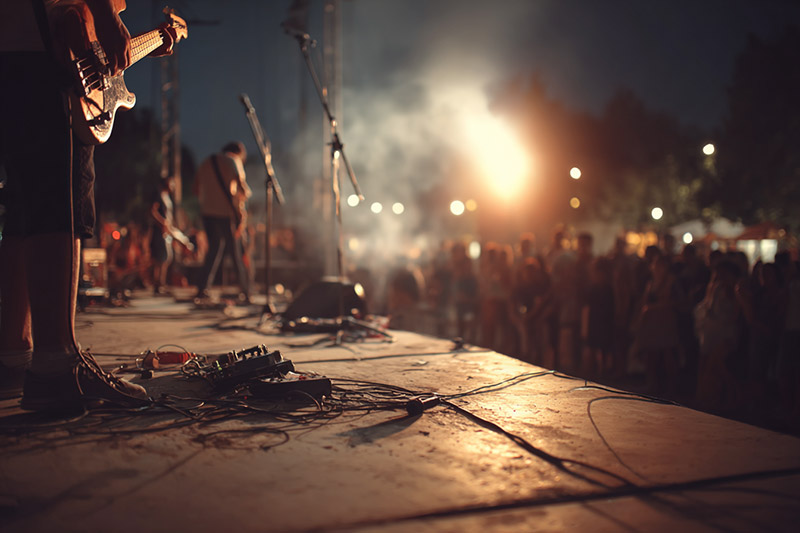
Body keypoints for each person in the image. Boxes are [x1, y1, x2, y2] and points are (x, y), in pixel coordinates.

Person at [0, 0, 174, 409]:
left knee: (24, 207)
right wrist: (107, 15)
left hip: (13, 47)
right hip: (49, 42)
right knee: (60, 204)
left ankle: (13, 355)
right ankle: (57, 367)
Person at [194, 141, 252, 302]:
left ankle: (202, 288)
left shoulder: (205, 162)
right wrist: (241, 211)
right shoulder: (234, 161)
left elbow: (196, 189)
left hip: (207, 214)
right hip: (226, 215)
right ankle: (246, 291)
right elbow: (243, 190)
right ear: (238, 152)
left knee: (213, 251)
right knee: (235, 253)